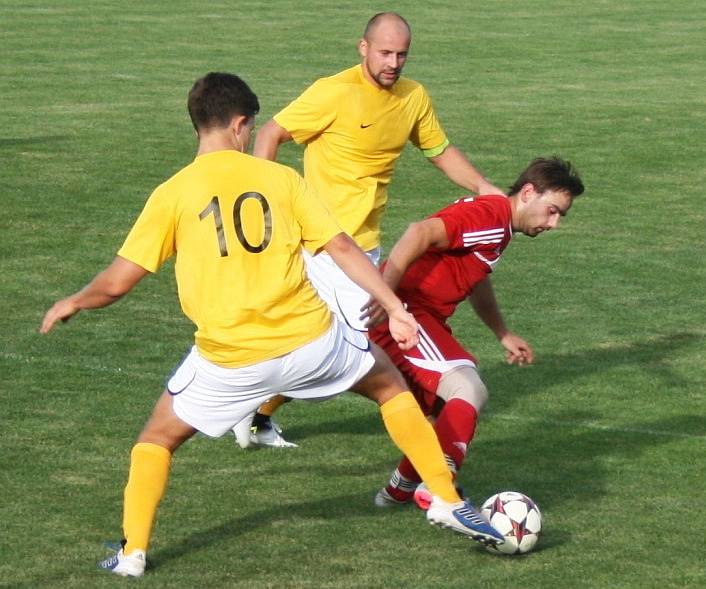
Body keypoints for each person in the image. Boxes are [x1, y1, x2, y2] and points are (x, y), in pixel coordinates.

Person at [39, 72, 505, 578]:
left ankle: (132, 554)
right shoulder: (282, 180)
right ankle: (443, 495)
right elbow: (343, 248)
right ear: (240, 124)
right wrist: (394, 306)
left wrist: (75, 301)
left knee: (156, 439)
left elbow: (118, 282)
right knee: (389, 385)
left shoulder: (172, 193)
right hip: (312, 342)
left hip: (230, 360)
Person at [238, 11, 505, 447]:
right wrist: (267, 203)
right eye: (385, 52)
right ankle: (423, 434)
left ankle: (253, 409)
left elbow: (438, 149)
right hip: (322, 246)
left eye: (402, 54)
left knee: (326, 346)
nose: (393, 63)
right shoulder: (333, 92)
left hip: (366, 248)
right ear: (363, 48)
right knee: (363, 351)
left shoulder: (412, 97)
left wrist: (482, 186)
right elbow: (270, 134)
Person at [365, 157, 585, 508]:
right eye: (552, 211)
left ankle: (398, 492)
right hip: (405, 315)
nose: (554, 223)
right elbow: (417, 232)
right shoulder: (493, 217)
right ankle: (439, 492)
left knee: (444, 413)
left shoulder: (500, 227)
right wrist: (387, 300)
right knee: (467, 389)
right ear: (528, 193)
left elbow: (476, 275)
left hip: (415, 316)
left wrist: (502, 332)